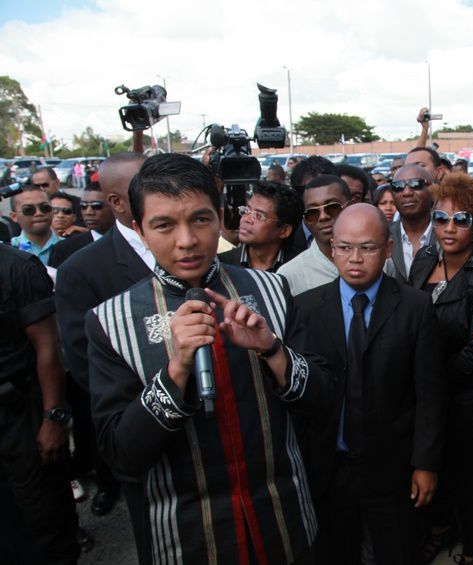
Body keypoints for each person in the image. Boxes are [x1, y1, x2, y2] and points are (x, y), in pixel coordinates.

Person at [85, 152, 332, 564]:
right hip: (186, 538)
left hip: (283, 520)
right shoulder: (112, 321)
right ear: (139, 230)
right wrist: (176, 370)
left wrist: (273, 350)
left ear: (220, 217)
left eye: (200, 219)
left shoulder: (272, 290)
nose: (186, 240)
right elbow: (121, 456)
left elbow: (323, 401)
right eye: (164, 224)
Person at [295, 204, 447, 565]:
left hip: (393, 467)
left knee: (397, 550)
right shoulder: (305, 307)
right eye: (345, 247)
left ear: (388, 249)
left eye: (367, 247)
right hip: (330, 468)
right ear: (332, 249)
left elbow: (431, 394)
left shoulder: (415, 307)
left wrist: (426, 464)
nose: (355, 258)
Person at [408, 174, 473, 565]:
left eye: (461, 219)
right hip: (427, 394)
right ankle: (438, 529)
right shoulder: (423, 260)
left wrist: (432, 379)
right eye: (440, 218)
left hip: (471, 397)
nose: (449, 228)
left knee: (469, 475)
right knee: (430, 464)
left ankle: (471, 547)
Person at [54, 152, 153, 563]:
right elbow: (84, 364)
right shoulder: (82, 270)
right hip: (142, 435)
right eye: (147, 184)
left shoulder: (199, 248)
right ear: (116, 202)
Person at [0, 244, 80, 564]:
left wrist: (54, 418)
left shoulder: (16, 267)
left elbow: (48, 347)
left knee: (44, 514)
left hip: (20, 413)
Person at [277, 175, 351, 296]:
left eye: (332, 207)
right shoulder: (289, 275)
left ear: (350, 206)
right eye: (312, 212)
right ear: (305, 219)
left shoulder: (380, 260)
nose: (323, 217)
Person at [218, 181, 305, 271]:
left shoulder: (300, 267)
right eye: (247, 210)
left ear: (284, 230)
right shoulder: (221, 265)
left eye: (258, 215)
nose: (246, 219)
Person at [386, 165, 436, 282]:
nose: (407, 192)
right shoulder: (382, 235)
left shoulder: (448, 233)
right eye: (398, 187)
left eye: (415, 184)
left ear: (432, 189)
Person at [49, 185, 115, 270]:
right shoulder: (64, 248)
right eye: (83, 206)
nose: (89, 212)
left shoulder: (131, 239)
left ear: (114, 205)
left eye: (96, 206)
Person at [10, 186, 63, 266]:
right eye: (28, 209)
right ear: (14, 216)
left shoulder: (71, 246)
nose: (39, 213)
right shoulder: (8, 250)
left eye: (45, 207)